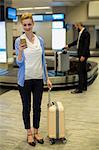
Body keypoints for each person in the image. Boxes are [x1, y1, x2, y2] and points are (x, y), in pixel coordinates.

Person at [15, 12, 52, 146]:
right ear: (22, 25)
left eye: (29, 24)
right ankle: (29, 133)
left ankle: (36, 131)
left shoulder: (40, 40)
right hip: (24, 80)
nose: (27, 27)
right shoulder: (19, 40)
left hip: (38, 79)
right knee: (27, 108)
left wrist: (47, 78)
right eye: (25, 25)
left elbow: (43, 61)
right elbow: (19, 63)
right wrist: (19, 51)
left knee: (37, 107)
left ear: (33, 24)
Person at [65, 22, 90, 94]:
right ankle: (84, 86)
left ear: (79, 25)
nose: (75, 28)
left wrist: (83, 55)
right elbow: (77, 42)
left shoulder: (86, 33)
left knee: (80, 71)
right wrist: (69, 45)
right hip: (81, 54)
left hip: (83, 55)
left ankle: (80, 89)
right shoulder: (81, 32)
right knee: (83, 70)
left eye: (75, 26)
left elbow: (86, 45)